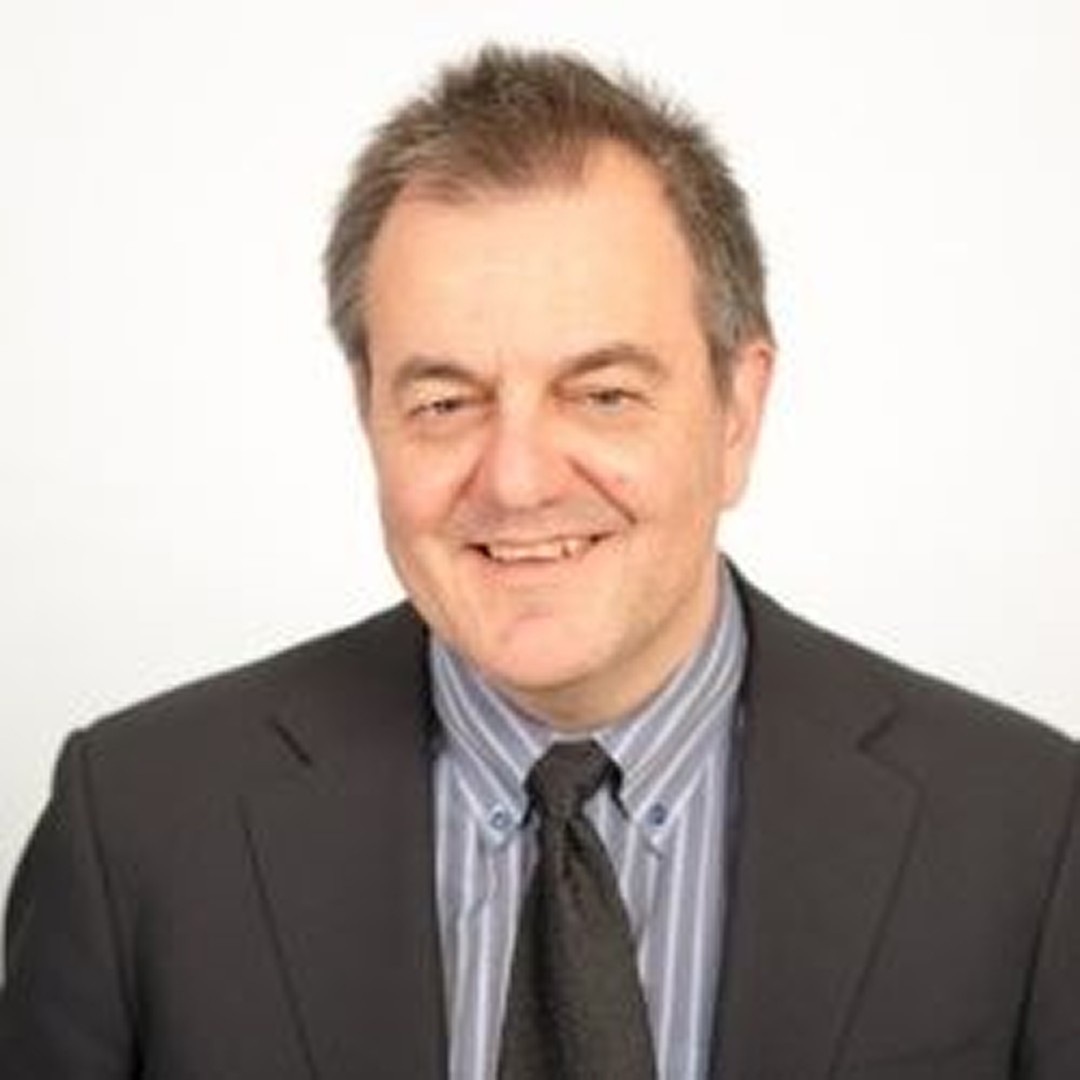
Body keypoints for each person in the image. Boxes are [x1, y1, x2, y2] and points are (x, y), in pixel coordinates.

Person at [1, 45, 1077, 1080]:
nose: (516, 480)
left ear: (737, 411)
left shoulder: (1030, 837)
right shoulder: (135, 828)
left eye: (603, 393)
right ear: (370, 414)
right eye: (444, 402)